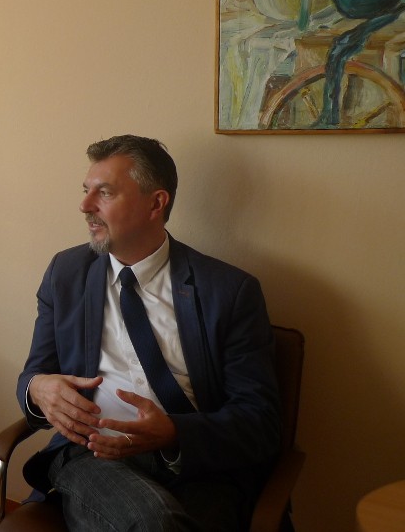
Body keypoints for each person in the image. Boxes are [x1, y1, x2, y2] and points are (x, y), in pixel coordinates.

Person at [17, 135, 281, 531]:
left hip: (195, 463)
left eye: (105, 193)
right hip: (92, 453)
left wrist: (174, 433)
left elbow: (260, 421)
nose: (85, 206)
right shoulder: (66, 274)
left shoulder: (228, 291)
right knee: (155, 522)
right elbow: (34, 372)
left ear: (156, 203)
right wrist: (37, 388)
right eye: (86, 191)